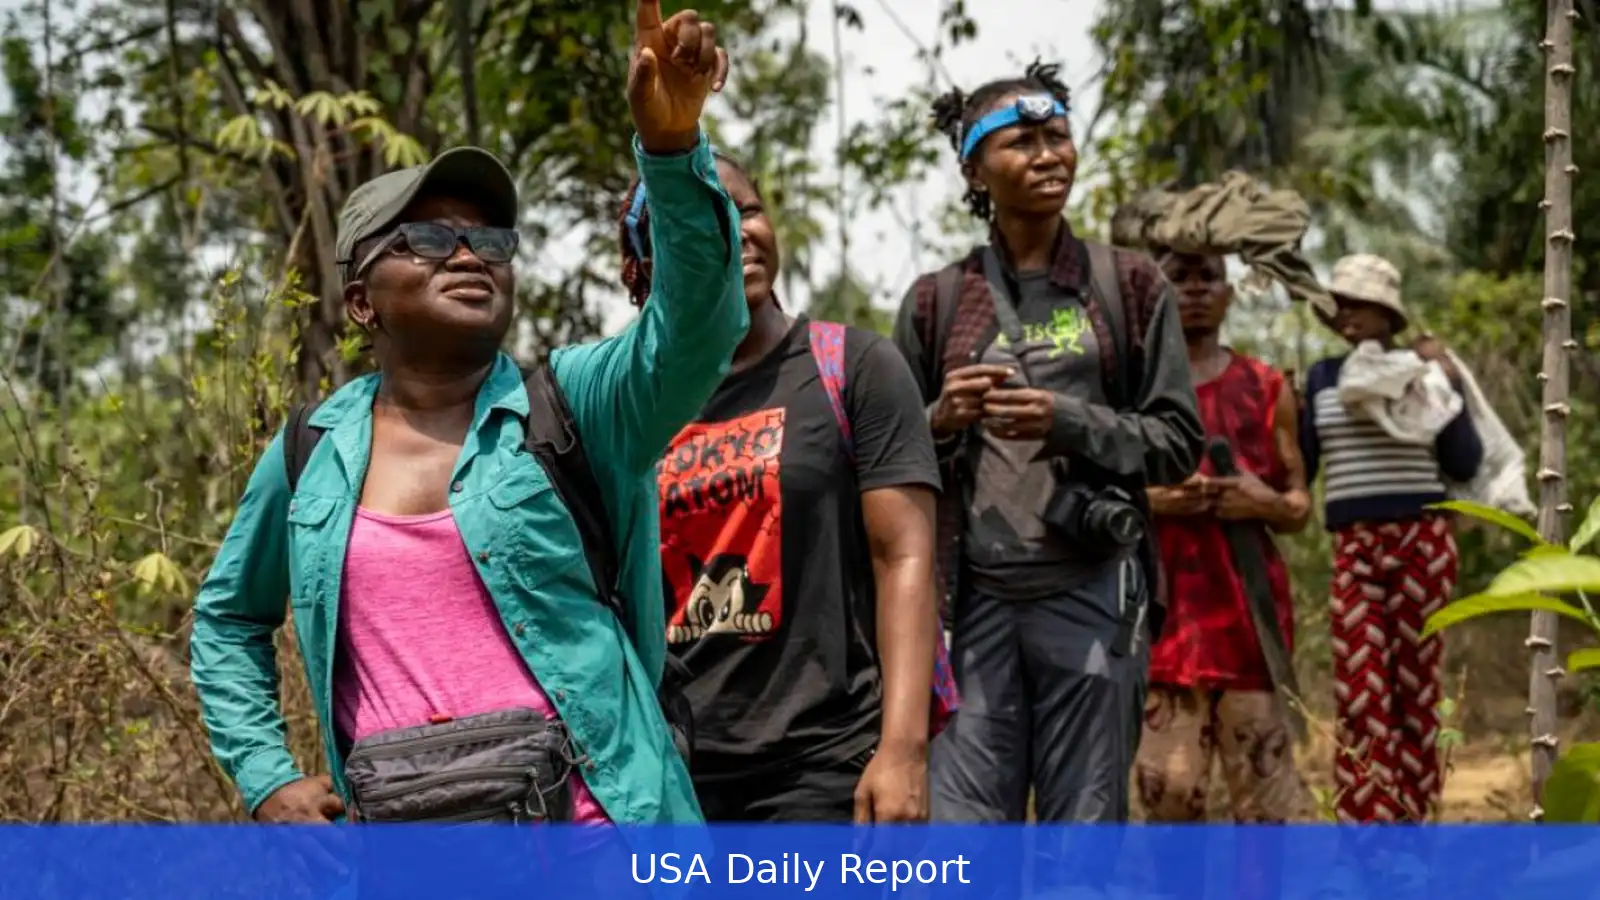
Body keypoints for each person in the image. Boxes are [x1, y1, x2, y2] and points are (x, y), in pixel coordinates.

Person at [189, 0, 739, 825]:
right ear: (361, 302)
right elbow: (227, 620)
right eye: (429, 238)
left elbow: (696, 328)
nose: (470, 255)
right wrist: (268, 777)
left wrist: (671, 150)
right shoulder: (310, 453)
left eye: (490, 243)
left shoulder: (574, 405)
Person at [891, 60, 1205, 823]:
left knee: (1084, 839)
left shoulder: (1127, 287)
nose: (1046, 155)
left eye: (1057, 136)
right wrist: (939, 420)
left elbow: (1177, 441)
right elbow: (883, 464)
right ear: (974, 167)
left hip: (1094, 591)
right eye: (1021, 142)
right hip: (971, 610)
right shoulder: (938, 301)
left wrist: (1067, 420)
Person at [616, 147, 944, 822]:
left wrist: (903, 751)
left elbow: (903, 556)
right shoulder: (624, 404)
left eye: (748, 210)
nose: (735, 233)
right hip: (670, 777)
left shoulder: (854, 368)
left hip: (823, 767)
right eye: (698, 220)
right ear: (642, 267)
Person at [1301, 253, 1483, 823]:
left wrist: (1449, 382)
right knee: (1360, 691)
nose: (1348, 314)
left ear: (1388, 313)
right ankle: (1367, 830)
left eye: (1361, 303)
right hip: (1354, 545)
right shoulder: (1322, 378)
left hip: (1422, 541)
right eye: (1341, 304)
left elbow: (1465, 459)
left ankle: (1414, 818)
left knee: (1415, 688)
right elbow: (1305, 467)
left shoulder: (1423, 369)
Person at [1134, 250, 1312, 823]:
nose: (1193, 290)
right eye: (1177, 278)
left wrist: (1261, 502)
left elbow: (1298, 504)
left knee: (1263, 805)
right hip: (1163, 624)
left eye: (1207, 277)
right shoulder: (1133, 391)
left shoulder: (1265, 386)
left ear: (1228, 293)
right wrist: (1160, 501)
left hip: (1248, 626)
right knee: (1169, 795)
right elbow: (1099, 498)